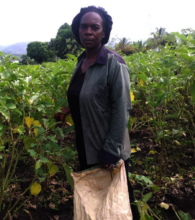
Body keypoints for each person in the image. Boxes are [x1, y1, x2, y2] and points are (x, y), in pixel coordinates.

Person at [54, 6, 140, 220]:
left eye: (95, 27)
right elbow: (83, 93)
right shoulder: (81, 61)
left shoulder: (114, 63)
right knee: (97, 199)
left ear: (104, 32)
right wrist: (66, 110)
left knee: (120, 201)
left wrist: (111, 150)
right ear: (78, 31)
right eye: (83, 27)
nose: (88, 32)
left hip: (107, 148)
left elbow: (122, 109)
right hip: (86, 142)